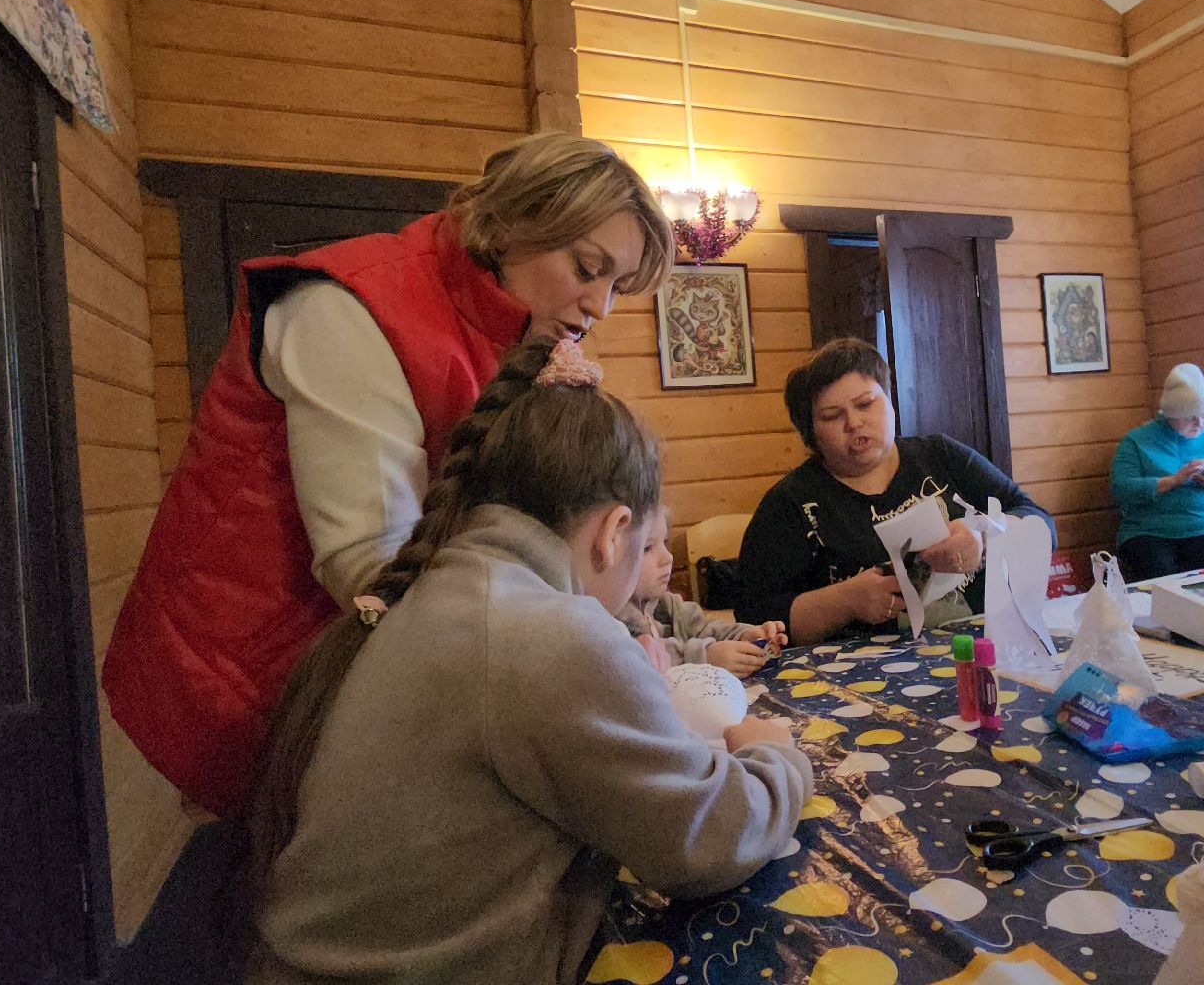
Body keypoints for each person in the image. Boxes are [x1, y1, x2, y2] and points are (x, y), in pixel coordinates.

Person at [104, 133, 675, 817]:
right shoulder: (350, 309)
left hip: (364, 658)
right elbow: (370, 567)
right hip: (252, 655)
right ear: (518, 223)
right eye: (588, 269)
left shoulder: (515, 338)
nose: (601, 307)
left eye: (617, 285)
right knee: (279, 884)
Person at [244, 338, 809, 984]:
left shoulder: (449, 590)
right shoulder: (550, 632)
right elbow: (707, 840)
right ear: (613, 531)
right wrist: (774, 754)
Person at [735, 338, 1054, 646]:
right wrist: (845, 601)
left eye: (865, 404)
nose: (854, 423)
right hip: (855, 677)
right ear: (810, 434)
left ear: (889, 399)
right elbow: (752, 618)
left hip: (985, 648)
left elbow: (1040, 523)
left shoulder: (942, 455)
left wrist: (985, 535)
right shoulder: (789, 503)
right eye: (832, 416)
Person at [1110, 363, 1204, 582]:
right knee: (1159, 572)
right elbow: (1122, 489)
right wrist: (1175, 480)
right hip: (1149, 529)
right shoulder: (1137, 441)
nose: (1200, 423)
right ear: (1171, 414)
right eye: (1191, 417)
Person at [619, 506, 787, 679]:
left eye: (665, 542)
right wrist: (705, 658)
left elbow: (703, 628)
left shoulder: (666, 604)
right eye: (647, 548)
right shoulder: (612, 621)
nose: (668, 557)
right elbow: (639, 660)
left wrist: (743, 636)